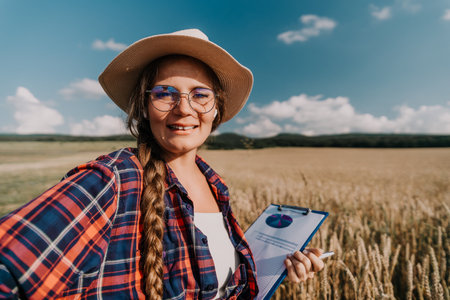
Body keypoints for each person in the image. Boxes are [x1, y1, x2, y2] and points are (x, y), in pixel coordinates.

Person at [0, 29, 324, 299]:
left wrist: (273, 265)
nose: (184, 109)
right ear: (144, 106)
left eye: (200, 95)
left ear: (216, 109)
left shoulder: (214, 184)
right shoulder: (115, 179)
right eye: (165, 93)